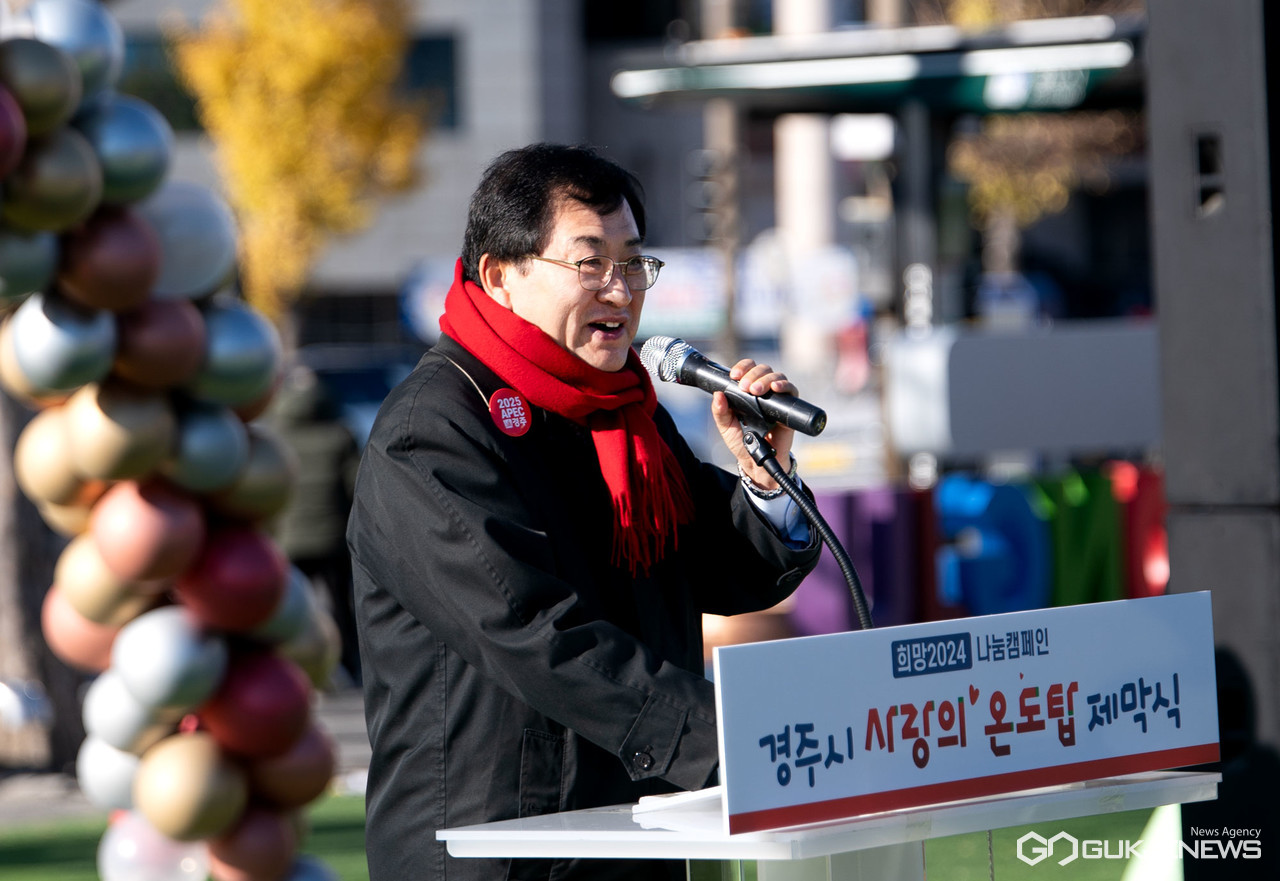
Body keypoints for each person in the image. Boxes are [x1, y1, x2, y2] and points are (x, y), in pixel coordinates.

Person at [347, 143, 822, 881]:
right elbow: (535, 633)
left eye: (633, 262)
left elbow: (728, 576)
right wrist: (726, 739)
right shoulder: (434, 428)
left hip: (635, 835)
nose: (620, 289)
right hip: (498, 851)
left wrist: (767, 475)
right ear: (500, 276)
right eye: (589, 262)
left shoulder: (624, 411)